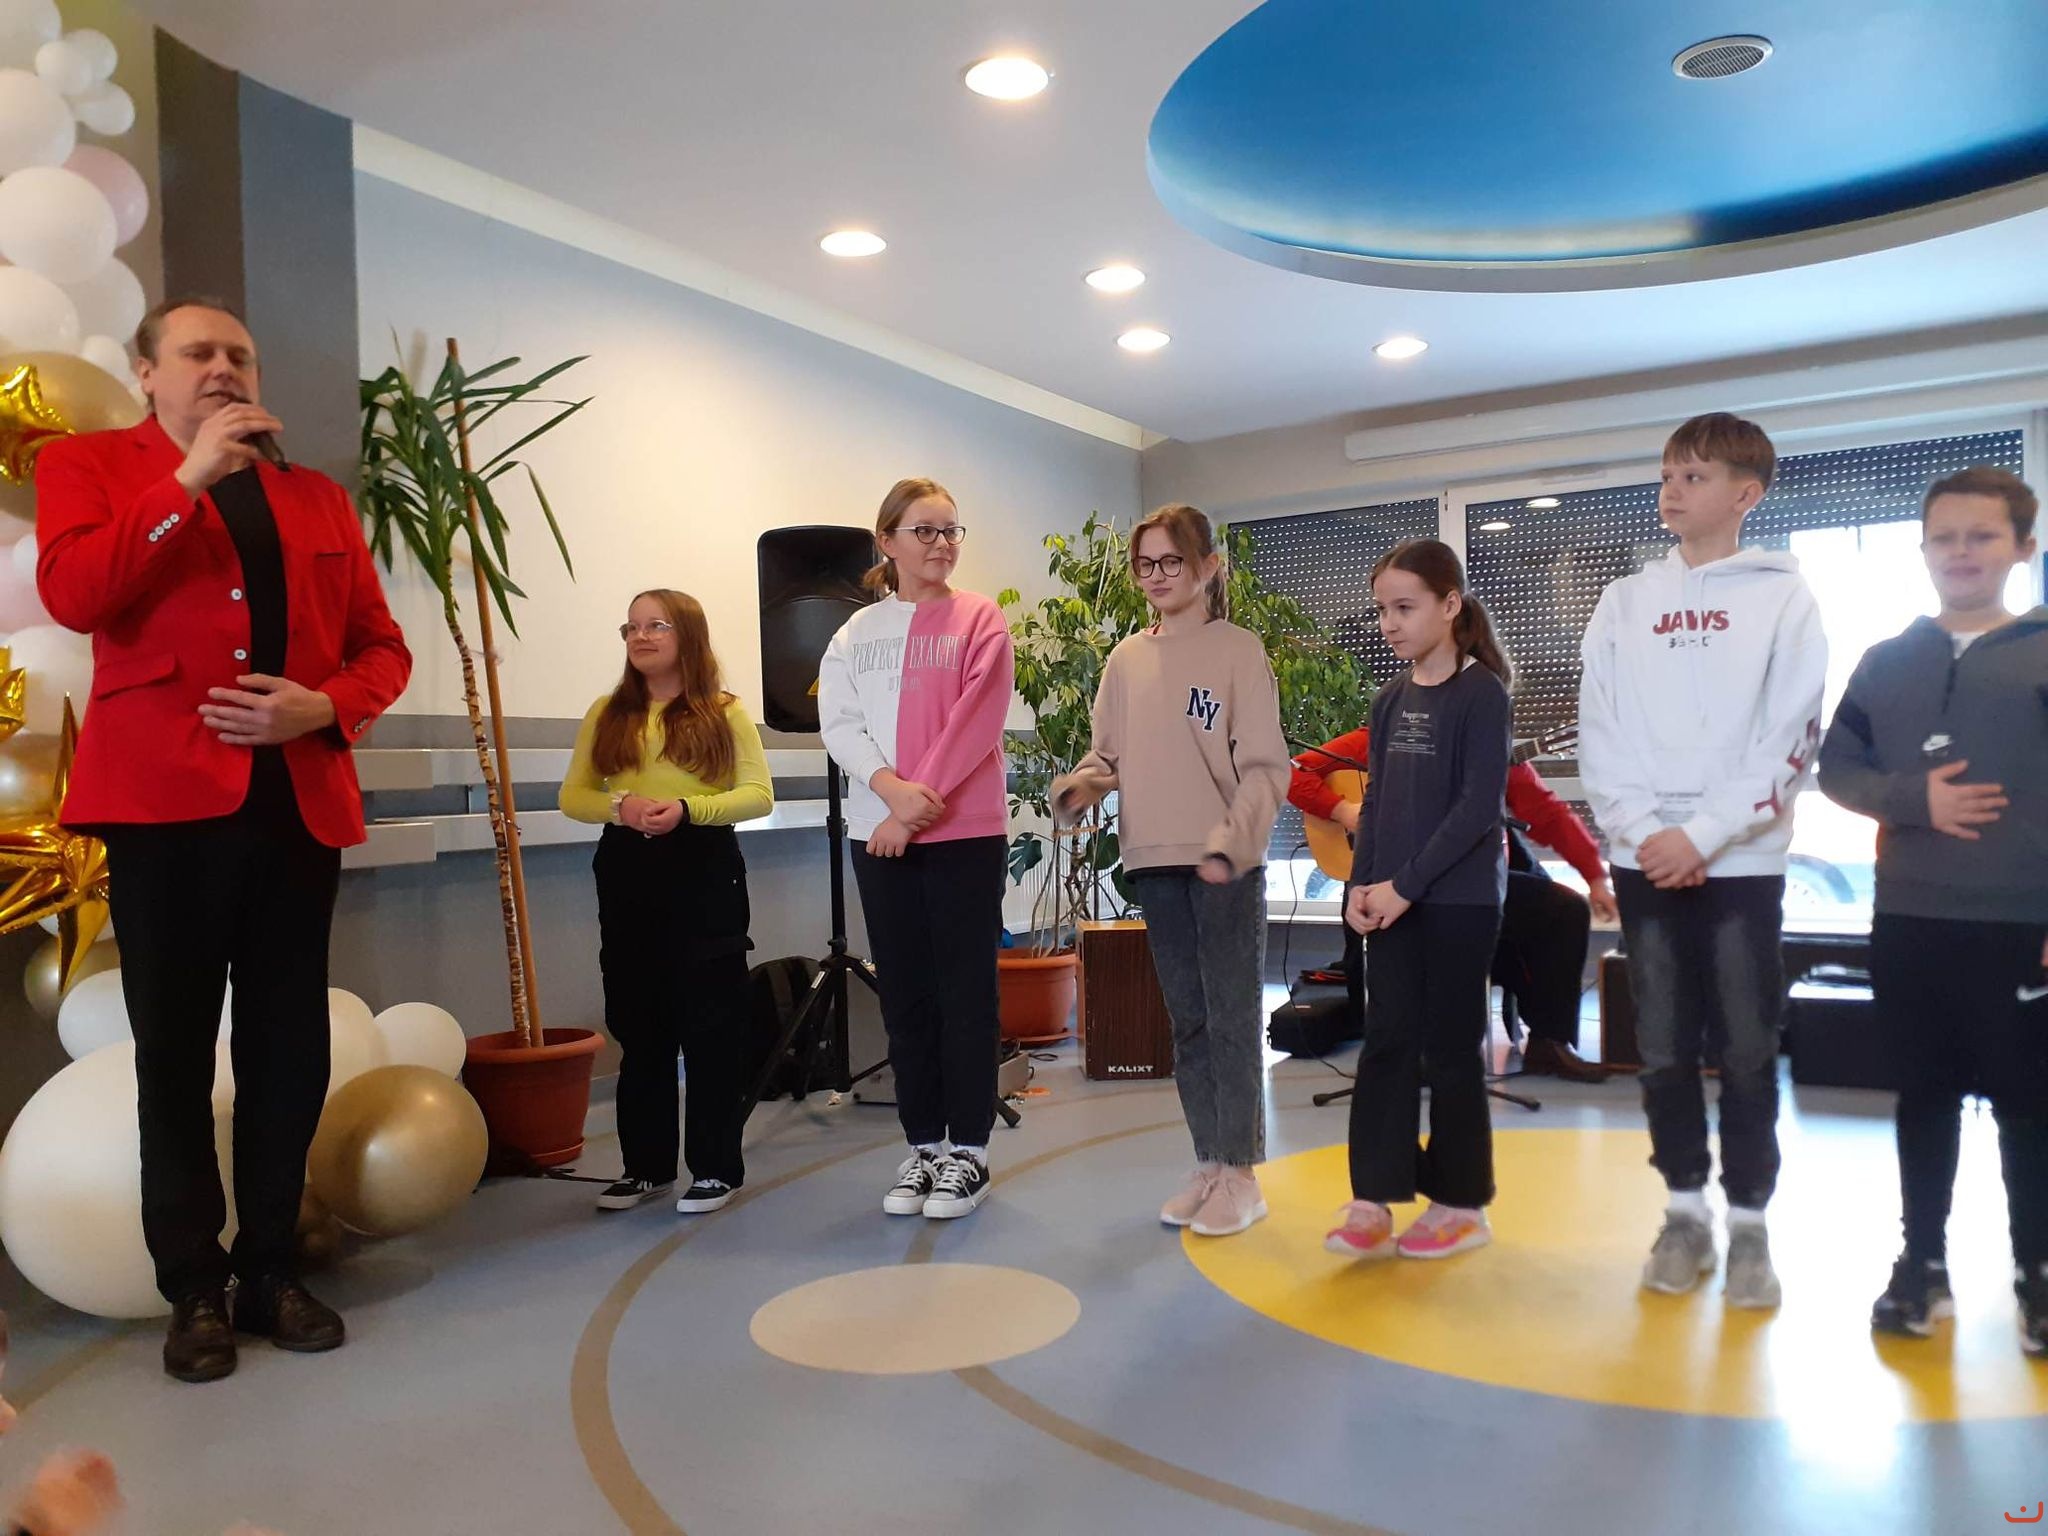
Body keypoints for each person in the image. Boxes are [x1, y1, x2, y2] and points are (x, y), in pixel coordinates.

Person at [35, 297, 412, 1382]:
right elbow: (76, 593)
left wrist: (324, 705)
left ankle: (270, 1268)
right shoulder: (89, 467)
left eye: (239, 354)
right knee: (172, 1053)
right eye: (197, 352)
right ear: (146, 372)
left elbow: (381, 648)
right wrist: (188, 478)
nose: (223, 368)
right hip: (161, 808)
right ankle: (193, 1287)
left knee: (288, 1049)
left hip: (296, 803)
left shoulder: (316, 497)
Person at [1577, 411, 1826, 1309]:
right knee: (1662, 1047)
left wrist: (1706, 834)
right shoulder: (1624, 601)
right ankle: (1685, 1213)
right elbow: (1599, 727)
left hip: (1742, 866)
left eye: (1694, 476)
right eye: (1667, 474)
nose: (1671, 490)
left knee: (1748, 1049)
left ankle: (1750, 1223)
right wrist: (1647, 831)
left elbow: (1792, 734)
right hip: (1645, 857)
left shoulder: (1785, 599)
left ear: (1745, 493)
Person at [1817, 465, 2048, 1350]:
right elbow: (1838, 768)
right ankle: (1922, 1263)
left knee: (2030, 1105)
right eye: (1944, 537)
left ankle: (2037, 1271)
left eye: (1982, 535)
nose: (1961, 551)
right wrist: (1915, 800)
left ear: (2022, 547)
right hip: (1911, 920)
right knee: (1924, 1097)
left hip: (2022, 925)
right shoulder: (1886, 660)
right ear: (1921, 551)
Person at [1052, 505, 1289, 1238]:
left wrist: (1233, 842)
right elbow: (1107, 756)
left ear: (1207, 566)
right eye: (1145, 564)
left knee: (1231, 1018)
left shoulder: (1239, 651)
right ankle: (1209, 1162)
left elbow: (1266, 767)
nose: (1156, 576)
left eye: (1171, 561)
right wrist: (1081, 786)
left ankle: (1242, 1174)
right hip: (1153, 859)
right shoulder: (1126, 660)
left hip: (1224, 863)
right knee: (1187, 1022)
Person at [817, 478, 1015, 1219]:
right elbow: (840, 725)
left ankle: (970, 1152)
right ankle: (924, 1146)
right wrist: (886, 791)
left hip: (961, 832)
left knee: (966, 994)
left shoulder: (980, 618)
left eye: (951, 531)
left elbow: (977, 719)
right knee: (905, 995)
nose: (941, 544)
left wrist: (911, 807)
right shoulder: (854, 634)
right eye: (924, 530)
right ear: (887, 541)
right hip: (879, 831)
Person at [1324, 539, 1513, 1261]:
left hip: (1460, 903)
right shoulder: (1389, 700)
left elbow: (1476, 810)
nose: (1389, 624)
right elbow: (1376, 804)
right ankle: (1372, 1197)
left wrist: (1405, 886)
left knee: (1451, 1049)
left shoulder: (1482, 694)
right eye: (1382, 610)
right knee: (1387, 1041)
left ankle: (1461, 1205)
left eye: (1404, 608)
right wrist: (1360, 885)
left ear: (1450, 604)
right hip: (1391, 897)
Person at [560, 589, 773, 1215]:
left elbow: (758, 794)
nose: (641, 637)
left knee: (711, 1026)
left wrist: (688, 809)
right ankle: (646, 1168)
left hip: (703, 866)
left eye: (656, 625)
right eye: (631, 627)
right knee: (639, 1024)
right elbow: (573, 796)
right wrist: (620, 807)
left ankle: (716, 1168)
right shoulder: (608, 712)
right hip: (627, 868)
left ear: (688, 636)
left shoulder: (724, 711)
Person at [1290, 732, 1618, 1082]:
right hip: (1391, 885)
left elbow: (1548, 814)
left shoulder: (1488, 743)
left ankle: (1549, 1042)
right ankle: (1416, 1047)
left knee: (1564, 910)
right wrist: (1344, 811)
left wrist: (1594, 876)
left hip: (1470, 880)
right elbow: (1292, 774)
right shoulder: (1381, 737)